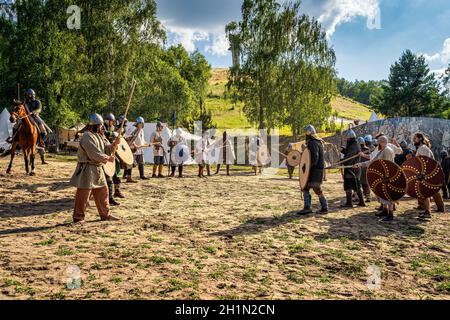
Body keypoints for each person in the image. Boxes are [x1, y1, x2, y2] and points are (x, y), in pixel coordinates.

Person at [69, 113, 120, 223]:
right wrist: (107, 158)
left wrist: (114, 144)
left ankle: (105, 214)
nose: (102, 127)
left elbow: (107, 149)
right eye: (100, 125)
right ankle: (78, 217)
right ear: (95, 125)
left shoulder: (100, 136)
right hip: (87, 168)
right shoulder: (87, 136)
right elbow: (93, 153)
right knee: (84, 195)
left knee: (103, 191)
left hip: (98, 168)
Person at [354, 135, 395, 221]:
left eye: (379, 143)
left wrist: (362, 164)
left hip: (387, 176)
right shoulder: (383, 150)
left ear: (382, 142)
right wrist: (361, 164)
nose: (378, 145)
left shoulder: (387, 150)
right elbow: (373, 160)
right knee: (382, 193)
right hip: (383, 175)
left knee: (387, 195)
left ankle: (390, 214)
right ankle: (384, 210)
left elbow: (380, 163)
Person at [297, 125, 328, 215]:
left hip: (314, 170)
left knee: (311, 188)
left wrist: (308, 167)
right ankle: (323, 207)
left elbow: (314, 157)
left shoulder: (313, 143)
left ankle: (308, 207)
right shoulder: (317, 142)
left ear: (308, 134)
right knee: (312, 188)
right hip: (315, 170)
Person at [413, 133, 445, 219]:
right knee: (433, 191)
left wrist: (423, 174)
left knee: (426, 192)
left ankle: (428, 212)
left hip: (426, 173)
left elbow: (425, 162)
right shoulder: (422, 148)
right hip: (427, 173)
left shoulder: (423, 148)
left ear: (420, 139)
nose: (413, 140)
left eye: (415, 138)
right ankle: (438, 208)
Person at [340, 130, 366, 208]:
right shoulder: (354, 145)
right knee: (356, 186)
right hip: (353, 168)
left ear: (350, 139)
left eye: (347, 139)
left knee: (349, 185)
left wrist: (342, 161)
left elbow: (349, 158)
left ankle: (349, 202)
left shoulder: (353, 146)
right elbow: (350, 154)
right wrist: (344, 150)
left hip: (352, 169)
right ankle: (361, 202)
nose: (347, 140)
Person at [103, 113, 124, 206]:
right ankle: (109, 196)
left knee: (118, 166)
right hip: (103, 154)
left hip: (111, 152)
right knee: (107, 176)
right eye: (111, 121)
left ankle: (117, 189)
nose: (112, 123)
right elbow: (106, 134)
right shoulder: (103, 127)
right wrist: (115, 134)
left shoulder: (112, 128)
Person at [358, 137, 371, 202]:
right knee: (365, 183)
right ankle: (367, 196)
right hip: (363, 167)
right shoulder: (368, 149)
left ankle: (365, 197)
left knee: (362, 183)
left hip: (363, 167)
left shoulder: (365, 150)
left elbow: (370, 158)